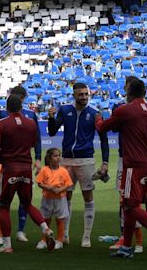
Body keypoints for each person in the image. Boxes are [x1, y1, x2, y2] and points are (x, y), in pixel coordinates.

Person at [96, 78, 147, 262]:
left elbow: (102, 128)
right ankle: (126, 247)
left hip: (132, 163)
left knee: (130, 205)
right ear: (145, 93)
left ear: (128, 91)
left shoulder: (125, 110)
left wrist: (98, 118)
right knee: (131, 205)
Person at [0, 95, 54, 254]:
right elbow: (34, 142)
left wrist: (3, 156)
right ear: (21, 107)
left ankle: (7, 245)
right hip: (26, 168)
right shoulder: (31, 123)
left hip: (10, 168)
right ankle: (45, 229)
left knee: (4, 205)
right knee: (27, 204)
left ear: (7, 108)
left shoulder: (2, 123)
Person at [48, 82, 109, 247]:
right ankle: (65, 235)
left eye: (85, 94)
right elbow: (52, 131)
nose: (83, 97)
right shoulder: (65, 110)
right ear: (74, 95)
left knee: (87, 196)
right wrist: (51, 117)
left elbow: (104, 139)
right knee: (65, 196)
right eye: (80, 94)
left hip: (86, 160)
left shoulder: (95, 113)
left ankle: (86, 236)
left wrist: (105, 162)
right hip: (66, 160)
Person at [111, 75, 147, 252]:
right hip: (125, 157)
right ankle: (125, 239)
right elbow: (115, 128)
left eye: (129, 87)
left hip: (144, 157)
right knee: (124, 199)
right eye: (126, 86)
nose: (127, 89)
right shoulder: (120, 108)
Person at [0, 85, 42, 243]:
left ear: (23, 98)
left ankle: (19, 231)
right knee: (24, 200)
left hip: (12, 164)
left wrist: (38, 157)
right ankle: (5, 233)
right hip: (22, 163)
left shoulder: (30, 115)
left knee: (9, 202)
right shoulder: (2, 114)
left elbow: (37, 140)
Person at [35, 148, 73, 250]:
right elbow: (39, 183)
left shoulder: (63, 171)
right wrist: (49, 188)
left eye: (59, 155)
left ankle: (59, 240)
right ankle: (43, 240)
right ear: (49, 158)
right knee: (46, 219)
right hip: (47, 198)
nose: (58, 158)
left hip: (60, 198)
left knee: (60, 219)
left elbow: (68, 184)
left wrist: (60, 190)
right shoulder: (44, 170)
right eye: (55, 156)